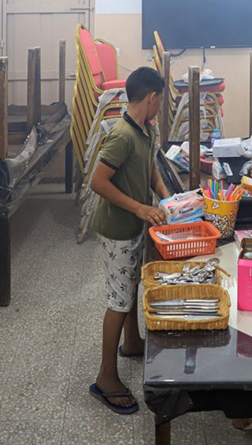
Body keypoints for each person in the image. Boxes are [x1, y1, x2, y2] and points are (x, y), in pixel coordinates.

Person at [88, 67, 170, 414]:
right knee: (119, 300)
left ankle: (132, 341)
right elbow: (98, 182)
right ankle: (106, 377)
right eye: (160, 101)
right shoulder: (121, 135)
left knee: (133, 283)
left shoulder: (145, 129)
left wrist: (167, 200)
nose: (160, 107)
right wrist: (139, 207)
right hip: (117, 229)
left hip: (134, 225)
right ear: (151, 98)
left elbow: (150, 168)